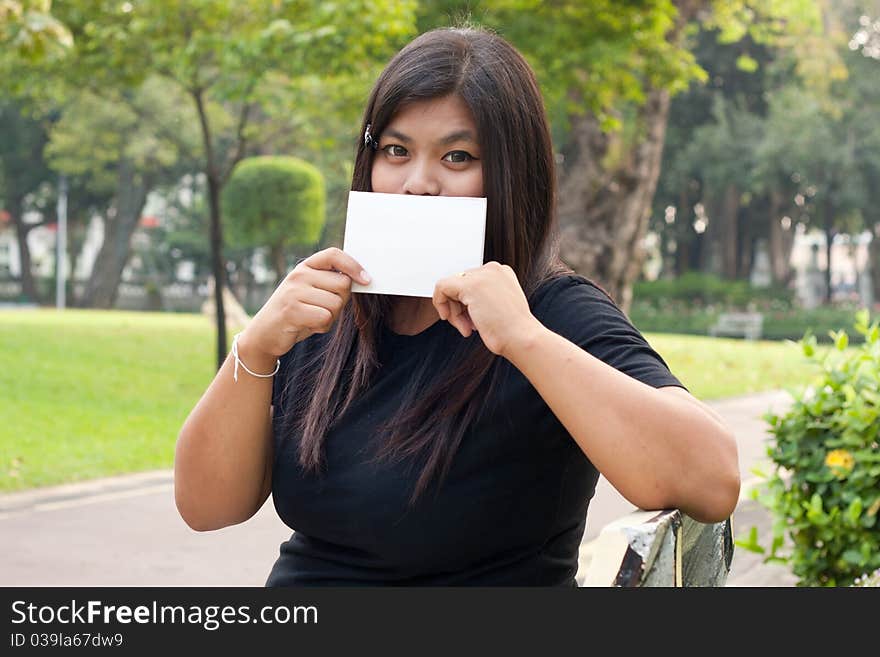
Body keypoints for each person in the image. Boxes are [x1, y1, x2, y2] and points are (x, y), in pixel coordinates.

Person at [174, 26, 740, 586]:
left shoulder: (551, 311)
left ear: (511, 175)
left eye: (457, 156)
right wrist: (254, 349)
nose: (418, 183)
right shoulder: (328, 307)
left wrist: (523, 338)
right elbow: (206, 508)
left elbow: (712, 482)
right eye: (396, 151)